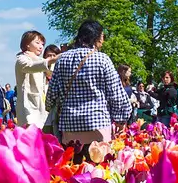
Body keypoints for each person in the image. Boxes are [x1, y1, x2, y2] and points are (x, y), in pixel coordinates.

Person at [45, 19, 132, 157]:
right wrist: (121, 119)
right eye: (102, 36)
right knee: (99, 170)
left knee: (73, 168)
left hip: (69, 125)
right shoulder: (102, 59)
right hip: (98, 125)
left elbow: (51, 95)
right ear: (96, 37)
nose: (103, 40)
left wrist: (50, 107)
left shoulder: (62, 60)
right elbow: (116, 94)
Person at [14, 30, 50, 128]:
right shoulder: (22, 59)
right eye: (37, 43)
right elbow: (31, 66)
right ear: (27, 44)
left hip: (40, 103)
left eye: (42, 44)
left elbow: (50, 72)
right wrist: (50, 61)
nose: (41, 46)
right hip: (27, 104)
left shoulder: (40, 60)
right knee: (29, 133)